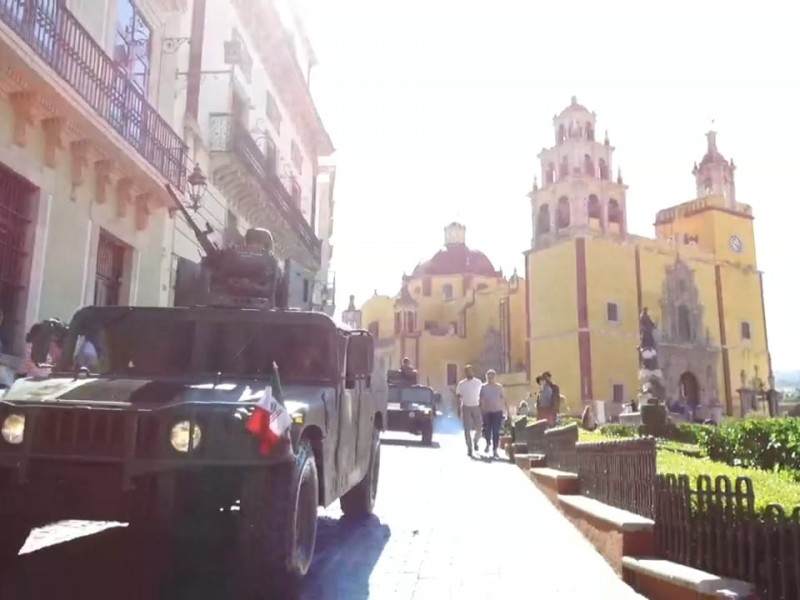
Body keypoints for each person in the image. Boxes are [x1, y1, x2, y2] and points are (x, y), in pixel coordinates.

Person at [455, 364, 483, 457]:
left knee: (479, 428)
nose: (469, 373)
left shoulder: (478, 382)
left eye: (470, 371)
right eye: (467, 371)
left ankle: (475, 441)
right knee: (467, 429)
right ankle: (469, 448)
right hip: (466, 407)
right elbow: (458, 397)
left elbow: (482, 395)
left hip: (476, 406)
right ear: (465, 373)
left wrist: (482, 406)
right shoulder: (461, 384)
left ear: (473, 371)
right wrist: (459, 409)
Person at [480, 369, 505, 459]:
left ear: (495, 377)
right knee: (487, 430)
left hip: (497, 412)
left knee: (496, 431)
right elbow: (481, 399)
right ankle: (487, 443)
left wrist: (506, 411)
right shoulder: (483, 387)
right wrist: (482, 410)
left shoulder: (499, 387)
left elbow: (503, 399)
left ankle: (495, 450)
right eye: (489, 376)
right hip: (487, 411)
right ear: (486, 377)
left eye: (492, 376)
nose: (490, 378)